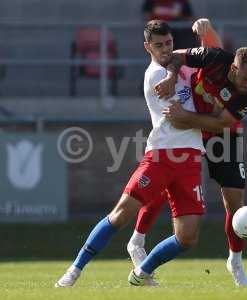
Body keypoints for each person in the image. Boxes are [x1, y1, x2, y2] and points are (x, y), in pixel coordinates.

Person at [55, 20, 208, 288]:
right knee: (121, 214)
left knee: (188, 238)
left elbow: (207, 56)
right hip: (162, 155)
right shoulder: (154, 76)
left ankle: (142, 272)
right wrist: (216, 120)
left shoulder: (178, 64)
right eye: (158, 45)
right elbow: (180, 120)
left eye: (169, 43)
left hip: (190, 158)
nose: (165, 50)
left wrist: (205, 35)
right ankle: (74, 269)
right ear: (147, 47)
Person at [127, 24, 247, 286]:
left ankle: (235, 261)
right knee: (162, 183)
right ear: (234, 68)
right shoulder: (214, 58)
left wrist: (185, 118)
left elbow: (220, 124)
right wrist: (169, 77)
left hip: (219, 135)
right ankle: (137, 240)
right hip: (189, 133)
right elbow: (174, 56)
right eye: (245, 78)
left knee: (235, 201)